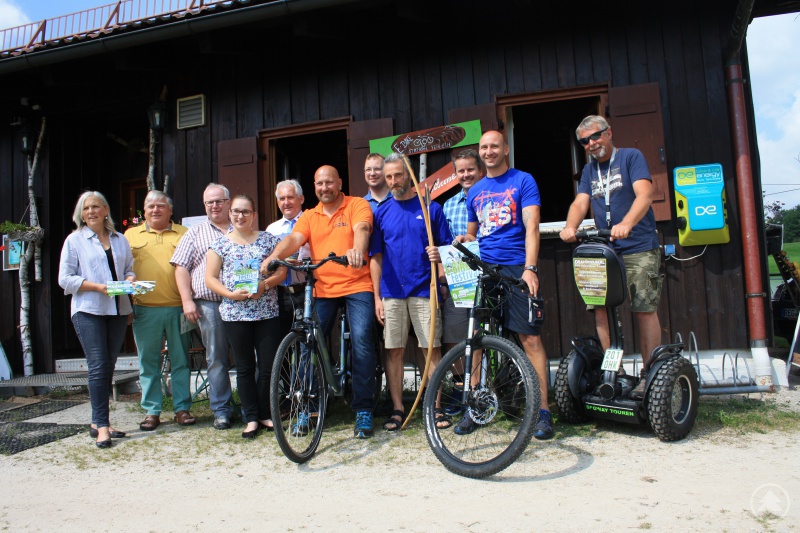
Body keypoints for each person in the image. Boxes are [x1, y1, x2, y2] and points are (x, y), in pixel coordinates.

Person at [261, 165, 377, 439]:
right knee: (307, 342)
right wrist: (273, 257)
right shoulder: (310, 216)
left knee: (361, 339)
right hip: (322, 286)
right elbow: (294, 238)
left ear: (339, 182)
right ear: (314, 187)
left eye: (329, 182)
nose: (325, 188)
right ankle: (308, 407)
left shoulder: (356, 204)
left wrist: (357, 251)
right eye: (319, 184)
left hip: (356, 284)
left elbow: (362, 228)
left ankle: (363, 409)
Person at [559, 115, 664, 397]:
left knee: (644, 309)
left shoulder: (631, 157)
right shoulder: (589, 170)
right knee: (601, 311)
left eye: (595, 136)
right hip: (606, 250)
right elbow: (581, 201)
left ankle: (649, 374)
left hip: (638, 245)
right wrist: (570, 227)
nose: (591, 144)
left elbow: (645, 194)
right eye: (584, 141)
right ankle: (612, 373)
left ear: (609, 133)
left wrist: (628, 222)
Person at [459, 130, 554, 440]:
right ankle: (475, 407)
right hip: (485, 270)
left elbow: (532, 227)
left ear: (505, 149)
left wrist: (530, 268)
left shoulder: (523, 180)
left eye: (494, 146)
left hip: (516, 268)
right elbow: (475, 233)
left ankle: (543, 411)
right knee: (476, 339)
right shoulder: (474, 191)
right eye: (484, 147)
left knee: (530, 340)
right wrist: (465, 239)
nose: (489, 151)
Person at [370, 153, 453, 431]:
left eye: (398, 175)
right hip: (392, 292)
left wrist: (438, 254)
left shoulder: (431, 209)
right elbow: (376, 258)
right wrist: (376, 297)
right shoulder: (381, 212)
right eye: (389, 176)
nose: (393, 181)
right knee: (394, 349)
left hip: (424, 289)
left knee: (431, 348)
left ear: (409, 176)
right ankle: (397, 408)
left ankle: (435, 408)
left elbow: (448, 250)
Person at [58, 191, 135, 448]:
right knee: (99, 365)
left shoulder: (120, 239)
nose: (91, 211)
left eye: (95, 206)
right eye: (86, 208)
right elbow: (65, 279)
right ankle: (102, 425)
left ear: (105, 210)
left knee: (109, 365)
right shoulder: (74, 240)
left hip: (117, 309)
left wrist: (131, 280)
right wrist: (97, 287)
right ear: (81, 214)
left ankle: (99, 421)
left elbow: (128, 270)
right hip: (88, 309)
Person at [206, 194, 286, 439]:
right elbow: (209, 278)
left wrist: (266, 286)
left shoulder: (267, 240)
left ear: (254, 215)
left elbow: (282, 271)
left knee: (268, 367)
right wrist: (230, 294)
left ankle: (265, 413)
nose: (240, 216)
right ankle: (250, 417)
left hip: (266, 312)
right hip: (235, 314)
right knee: (244, 367)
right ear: (230, 214)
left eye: (245, 211)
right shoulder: (219, 244)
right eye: (236, 211)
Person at [125, 190, 193, 431]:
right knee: (148, 363)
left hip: (179, 308)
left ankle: (182, 409)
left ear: (170, 210)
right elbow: (123, 272)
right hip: (145, 310)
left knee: (181, 361)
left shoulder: (185, 233)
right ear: (144, 210)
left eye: (161, 206)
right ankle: (152, 411)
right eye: (150, 206)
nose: (155, 210)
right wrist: (125, 305)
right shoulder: (130, 235)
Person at [170, 183, 235, 430]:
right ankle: (222, 411)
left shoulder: (241, 229)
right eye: (209, 202)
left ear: (229, 202)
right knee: (217, 357)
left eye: (219, 201)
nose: (215, 206)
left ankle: (253, 407)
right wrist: (187, 300)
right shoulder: (195, 232)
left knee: (247, 356)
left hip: (242, 304)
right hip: (209, 305)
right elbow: (180, 267)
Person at [441, 149, 485, 354]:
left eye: (470, 169)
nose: (466, 174)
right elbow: (444, 243)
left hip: (488, 273)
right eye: (461, 171)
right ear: (455, 174)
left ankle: (481, 383)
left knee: (481, 333)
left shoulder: (490, 197)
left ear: (480, 171)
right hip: (460, 278)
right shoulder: (448, 206)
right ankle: (461, 384)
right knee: (454, 333)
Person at [266, 180, 311, 339]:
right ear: (277, 202)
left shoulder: (312, 221)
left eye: (290, 197)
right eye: (282, 198)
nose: (286, 202)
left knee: (310, 339)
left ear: (301, 199)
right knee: (282, 340)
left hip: (308, 289)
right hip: (281, 293)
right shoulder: (272, 229)